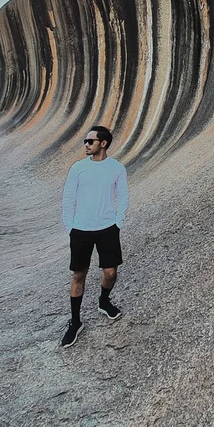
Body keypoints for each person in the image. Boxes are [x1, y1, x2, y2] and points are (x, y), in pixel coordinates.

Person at [60, 125, 129, 348]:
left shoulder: (116, 168)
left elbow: (124, 196)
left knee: (110, 272)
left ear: (103, 143)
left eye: (90, 141)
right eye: (85, 141)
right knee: (78, 275)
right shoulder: (78, 168)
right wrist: (70, 226)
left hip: (107, 228)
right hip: (80, 230)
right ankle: (76, 322)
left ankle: (103, 301)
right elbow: (68, 197)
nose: (86, 145)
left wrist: (118, 223)